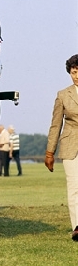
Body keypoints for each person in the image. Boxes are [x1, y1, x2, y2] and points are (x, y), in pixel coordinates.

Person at [45, 54, 78, 242]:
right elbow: (55, 126)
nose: (77, 76)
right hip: (70, 144)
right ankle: (77, 227)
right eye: (74, 72)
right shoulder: (63, 95)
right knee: (74, 187)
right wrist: (50, 152)